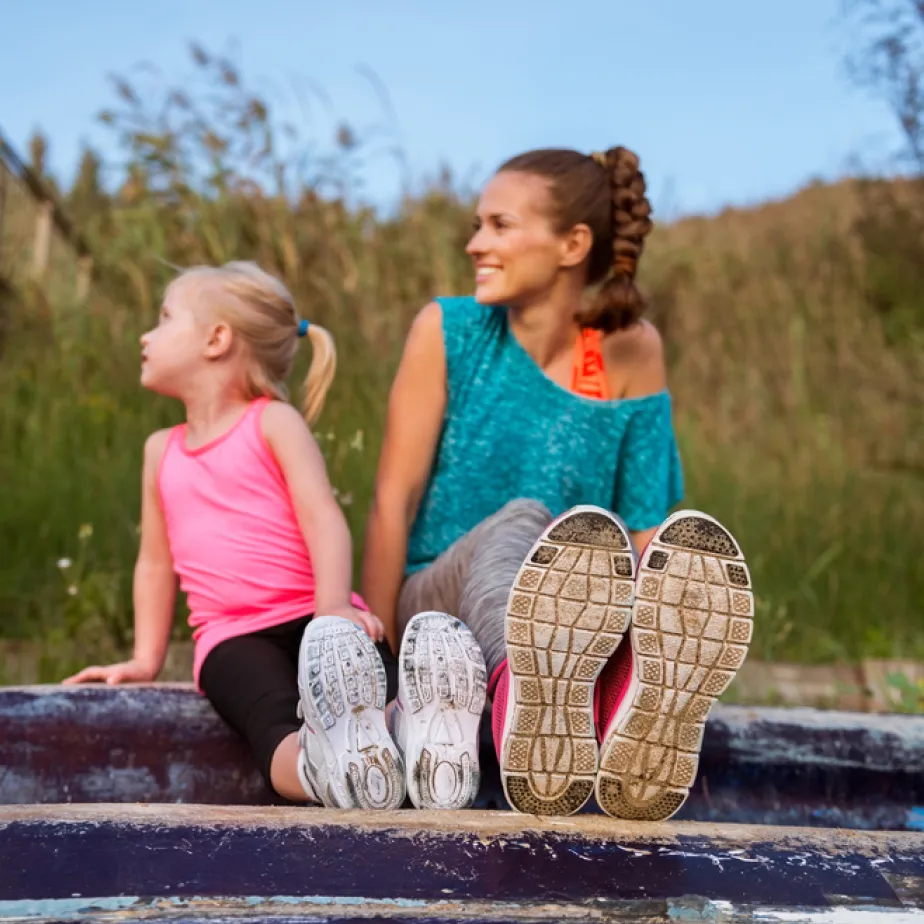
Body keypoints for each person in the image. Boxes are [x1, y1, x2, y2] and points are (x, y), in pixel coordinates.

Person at [362, 147, 755, 821]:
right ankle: (529, 695)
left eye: (499, 225)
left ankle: (628, 705)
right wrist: (377, 669)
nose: (475, 243)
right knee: (526, 520)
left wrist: (668, 603)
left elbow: (640, 524)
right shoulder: (449, 331)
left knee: (667, 557)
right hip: (439, 607)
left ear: (573, 244)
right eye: (479, 224)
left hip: (577, 618)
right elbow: (391, 502)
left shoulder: (631, 349)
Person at [63, 261, 485, 811]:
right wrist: (145, 659)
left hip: (320, 620)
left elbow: (322, 518)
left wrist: (332, 605)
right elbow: (154, 563)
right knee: (272, 725)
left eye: (164, 319)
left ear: (217, 339)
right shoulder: (158, 451)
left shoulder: (272, 422)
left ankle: (427, 743)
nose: (147, 335)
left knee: (373, 690)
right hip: (233, 637)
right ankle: (322, 771)